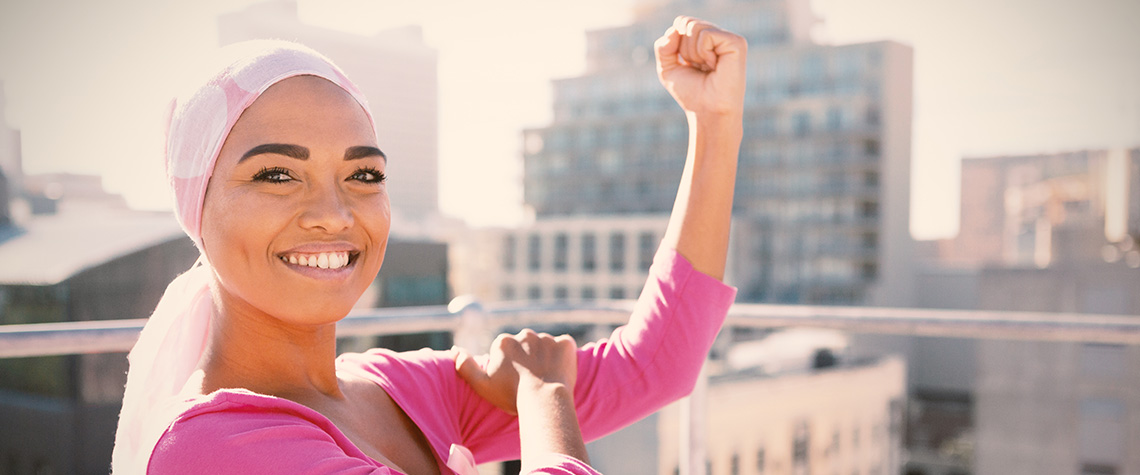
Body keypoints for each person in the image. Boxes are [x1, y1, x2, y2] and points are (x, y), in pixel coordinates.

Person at [112, 15, 745, 475]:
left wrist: (714, 124)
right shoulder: (212, 449)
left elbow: (653, 366)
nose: (333, 215)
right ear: (197, 206)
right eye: (276, 175)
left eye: (364, 175)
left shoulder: (397, 388)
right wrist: (545, 397)